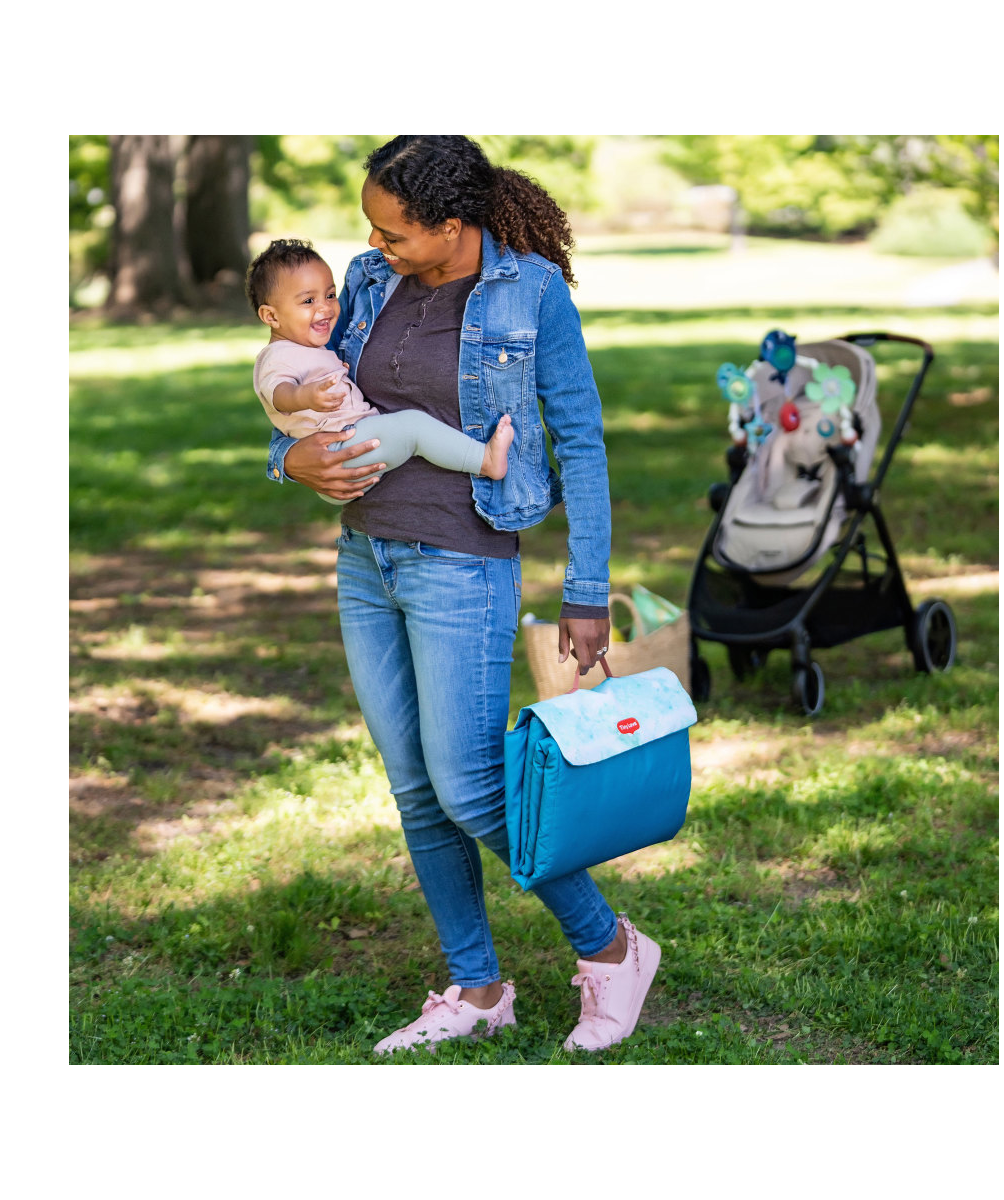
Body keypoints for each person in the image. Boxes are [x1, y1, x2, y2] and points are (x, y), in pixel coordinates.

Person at [265, 135, 660, 1055]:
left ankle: (611, 950)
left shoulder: (533, 293)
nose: (373, 241)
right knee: (415, 789)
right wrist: (291, 459)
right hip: (366, 562)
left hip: (462, 563)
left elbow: (582, 441)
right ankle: (478, 988)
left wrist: (587, 588)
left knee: (473, 789)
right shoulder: (367, 279)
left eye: (392, 228)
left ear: (452, 226)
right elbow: (299, 398)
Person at [247, 238, 513, 505]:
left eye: (329, 295)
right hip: (340, 451)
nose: (325, 307)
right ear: (271, 316)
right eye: (308, 300)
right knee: (414, 428)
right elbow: (279, 394)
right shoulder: (276, 357)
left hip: (350, 444)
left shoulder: (308, 348)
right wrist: (306, 396)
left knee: (406, 428)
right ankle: (486, 460)